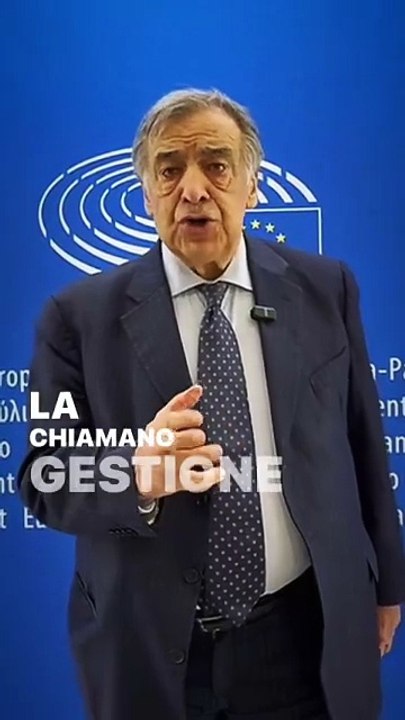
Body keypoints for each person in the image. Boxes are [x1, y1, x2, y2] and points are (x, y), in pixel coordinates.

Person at [18, 88, 405, 720]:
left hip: (305, 634)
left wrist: (387, 585)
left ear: (252, 187)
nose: (193, 189)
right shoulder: (76, 320)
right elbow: (45, 476)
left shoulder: (326, 289)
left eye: (217, 166)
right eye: (169, 170)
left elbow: (363, 441)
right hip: (153, 649)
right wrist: (136, 474)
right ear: (147, 195)